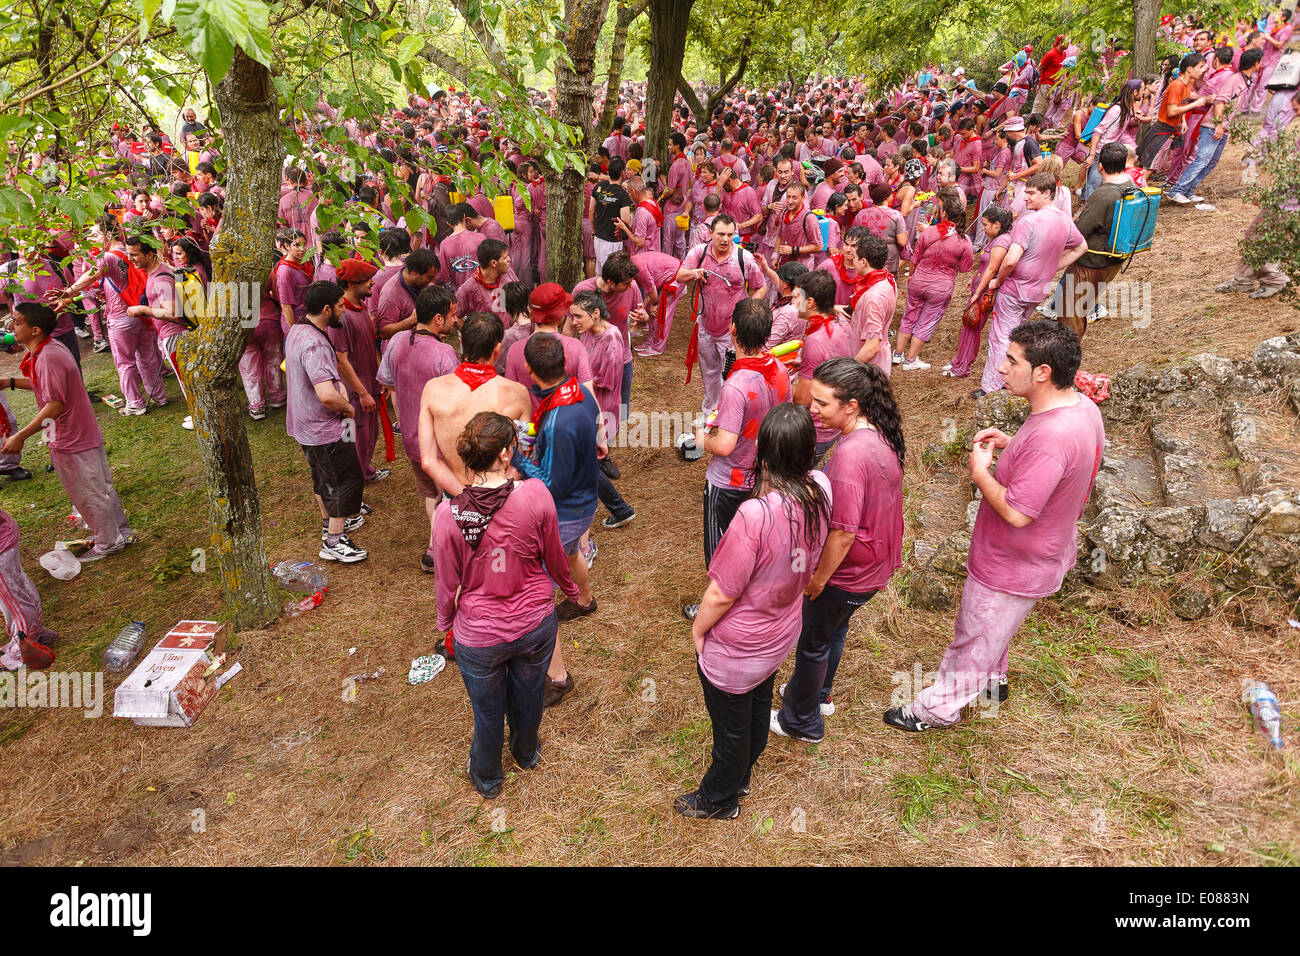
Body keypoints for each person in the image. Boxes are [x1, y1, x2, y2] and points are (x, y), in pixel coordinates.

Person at [886, 322, 1104, 731]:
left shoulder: (1051, 438)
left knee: (975, 634)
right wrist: (1014, 443)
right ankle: (993, 679)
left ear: (1042, 372)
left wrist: (981, 472)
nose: (1001, 368)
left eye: (1011, 359)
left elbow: (1019, 512)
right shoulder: (1080, 408)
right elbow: (1060, 466)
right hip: (1042, 554)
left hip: (1012, 562)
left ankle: (935, 709)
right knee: (994, 628)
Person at [676, 403, 830, 819]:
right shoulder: (820, 490)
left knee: (730, 727)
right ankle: (743, 772)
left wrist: (699, 632)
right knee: (758, 704)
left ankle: (719, 797)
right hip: (781, 632)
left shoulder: (755, 516)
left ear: (764, 454)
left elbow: (722, 593)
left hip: (739, 646)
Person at [433, 412, 581, 799]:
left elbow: (446, 581)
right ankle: (526, 751)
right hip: (535, 625)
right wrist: (569, 588)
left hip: (480, 636)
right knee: (530, 693)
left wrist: (445, 621)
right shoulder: (535, 495)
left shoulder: (447, 517)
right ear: (504, 453)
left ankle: (487, 776)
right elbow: (554, 556)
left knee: (487, 711)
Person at [772, 358, 904, 742]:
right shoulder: (877, 434)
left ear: (852, 406)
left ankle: (801, 720)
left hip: (849, 573)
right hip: (873, 567)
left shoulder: (849, 456)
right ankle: (818, 694)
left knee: (813, 642)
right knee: (834, 631)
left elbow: (843, 534)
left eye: (822, 404)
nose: (812, 409)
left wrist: (817, 579)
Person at [683, 298, 792, 621]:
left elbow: (726, 444)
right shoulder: (780, 369)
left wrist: (699, 437)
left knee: (720, 548)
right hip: (764, 477)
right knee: (753, 543)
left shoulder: (736, 386)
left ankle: (717, 607)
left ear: (732, 331)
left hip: (729, 480)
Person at [512, 333, 602, 707]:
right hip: (586, 504)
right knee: (570, 555)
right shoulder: (577, 393)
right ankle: (584, 600)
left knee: (538, 594)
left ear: (531, 370)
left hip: (566, 510)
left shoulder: (558, 420)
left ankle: (558, 678)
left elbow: (551, 482)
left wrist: (517, 457)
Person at [4, 303, 133, 562]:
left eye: (17, 322)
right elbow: (44, 384)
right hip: (80, 432)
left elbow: (54, 404)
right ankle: (119, 533)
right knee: (100, 487)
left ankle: (108, 543)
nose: (10, 326)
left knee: (88, 492)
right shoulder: (48, 348)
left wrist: (20, 436)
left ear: (35, 330)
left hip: (71, 437)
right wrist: (8, 382)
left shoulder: (49, 356)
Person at [979, 172, 1085, 399]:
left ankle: (992, 388)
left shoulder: (1028, 221)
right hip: (1038, 290)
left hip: (1014, 288)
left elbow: (1010, 259)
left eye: (1030, 193)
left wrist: (998, 280)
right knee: (1018, 335)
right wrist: (1052, 268)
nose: (1024, 197)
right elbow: (1080, 247)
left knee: (1001, 338)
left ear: (1047, 193)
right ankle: (1015, 379)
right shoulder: (1064, 220)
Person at [376, 283, 459, 573]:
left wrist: (403, 415)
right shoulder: (444, 353)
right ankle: (437, 551)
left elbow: (386, 381)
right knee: (446, 495)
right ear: (438, 319)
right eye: (452, 315)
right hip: (440, 441)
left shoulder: (398, 341)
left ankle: (436, 547)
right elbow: (455, 402)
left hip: (412, 436)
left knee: (429, 493)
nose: (455, 320)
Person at [284, 281, 368, 563]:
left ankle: (328, 522)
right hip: (326, 427)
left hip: (305, 425)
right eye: (341, 306)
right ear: (327, 309)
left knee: (323, 477)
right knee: (346, 478)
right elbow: (327, 396)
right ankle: (335, 540)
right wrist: (348, 409)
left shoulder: (298, 329)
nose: (344, 311)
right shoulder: (315, 344)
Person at [56, 217, 167, 416]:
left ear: (107, 235)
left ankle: (134, 403)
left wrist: (69, 292)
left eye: (95, 234)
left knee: (124, 362)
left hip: (121, 317)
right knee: (147, 356)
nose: (92, 239)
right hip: (141, 312)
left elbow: (91, 275)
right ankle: (158, 396)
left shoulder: (107, 257)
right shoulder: (129, 251)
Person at [417, 311, 531, 498]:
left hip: (456, 495)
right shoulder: (518, 393)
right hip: (502, 494)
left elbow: (428, 461)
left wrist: (466, 498)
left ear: (461, 343)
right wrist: (499, 491)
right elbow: (527, 447)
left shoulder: (432, 389)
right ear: (498, 349)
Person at [683, 215, 766, 413]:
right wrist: (695, 273)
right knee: (709, 372)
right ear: (710, 233)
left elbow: (760, 287)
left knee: (733, 375)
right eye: (720, 234)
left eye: (730, 235)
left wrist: (747, 314)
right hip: (706, 326)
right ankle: (710, 412)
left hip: (733, 332)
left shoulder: (743, 258)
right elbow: (680, 275)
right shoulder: (699, 253)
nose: (725, 239)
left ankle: (732, 415)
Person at [1167, 48, 1262, 205]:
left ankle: (1189, 191)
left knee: (1211, 162)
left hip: (1222, 128)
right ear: (1255, 63)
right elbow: (1220, 101)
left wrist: (1232, 127)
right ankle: (1177, 190)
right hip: (1213, 126)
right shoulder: (1234, 79)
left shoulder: (1245, 80)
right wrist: (1218, 125)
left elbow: (1234, 107)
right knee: (1202, 159)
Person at [893, 192, 974, 371]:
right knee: (926, 321)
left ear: (944, 213)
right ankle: (911, 360)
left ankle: (897, 354)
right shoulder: (964, 240)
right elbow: (966, 267)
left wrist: (910, 277)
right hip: (941, 287)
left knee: (909, 316)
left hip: (919, 280)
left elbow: (915, 258)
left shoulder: (929, 231)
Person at [124, 234, 194, 430]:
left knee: (186, 378)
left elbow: (172, 312)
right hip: (170, 335)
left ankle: (200, 416)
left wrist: (143, 310)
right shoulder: (156, 273)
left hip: (175, 335)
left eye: (135, 254)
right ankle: (197, 412)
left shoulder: (161, 278)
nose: (131, 259)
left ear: (149, 254)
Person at [330, 259, 386, 483]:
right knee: (356, 439)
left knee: (369, 435)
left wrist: (379, 375)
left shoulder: (360, 308)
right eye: (367, 280)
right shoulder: (342, 317)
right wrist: (361, 392)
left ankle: (364, 471)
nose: (372, 283)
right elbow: (341, 361)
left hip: (368, 385)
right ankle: (353, 487)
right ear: (352, 284)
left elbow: (370, 345)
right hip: (355, 393)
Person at [793, 270, 856, 460]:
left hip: (816, 428)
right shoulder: (842, 322)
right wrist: (804, 364)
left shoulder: (815, 340)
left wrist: (779, 377)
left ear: (810, 302)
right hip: (836, 417)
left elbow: (802, 399)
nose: (793, 302)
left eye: (797, 297)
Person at [946, 205, 1012, 379]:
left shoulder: (1001, 242)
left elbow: (991, 269)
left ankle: (963, 367)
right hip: (978, 286)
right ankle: (959, 360)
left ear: (997, 225)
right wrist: (972, 279)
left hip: (983, 292)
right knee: (968, 325)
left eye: (985, 224)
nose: (982, 228)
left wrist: (978, 292)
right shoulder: (995, 238)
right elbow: (984, 266)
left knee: (973, 327)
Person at [848, 235, 897, 377]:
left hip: (869, 368)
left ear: (864, 262)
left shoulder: (874, 297)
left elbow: (872, 346)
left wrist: (848, 370)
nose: (853, 260)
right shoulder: (886, 278)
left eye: (855, 257)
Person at [375, 247, 439, 342]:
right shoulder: (391, 295)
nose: (433, 282)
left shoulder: (423, 283)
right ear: (414, 273)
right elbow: (384, 332)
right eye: (429, 277)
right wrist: (412, 320)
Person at [454, 238, 517, 328]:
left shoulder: (508, 272)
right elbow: (456, 316)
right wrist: (471, 335)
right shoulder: (468, 289)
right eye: (505, 257)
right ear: (494, 263)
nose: (509, 259)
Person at [590, 157, 633, 274]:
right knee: (612, 273)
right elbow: (625, 220)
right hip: (612, 241)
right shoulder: (623, 194)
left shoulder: (598, 187)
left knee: (599, 272)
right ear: (622, 173)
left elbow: (591, 212)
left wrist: (594, 230)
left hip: (598, 237)